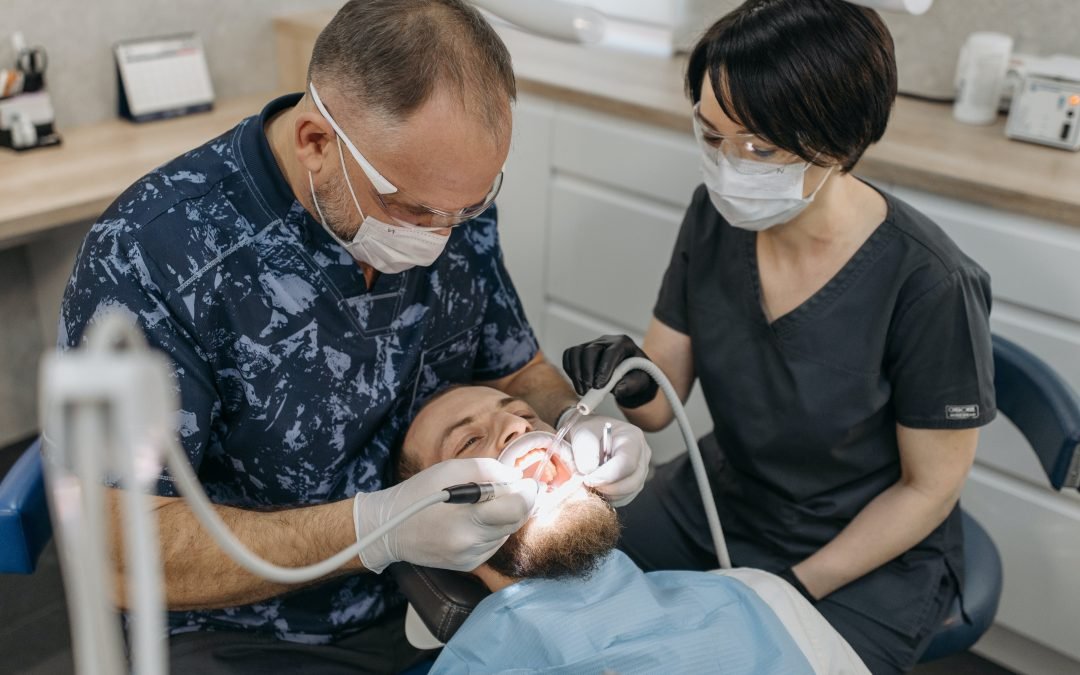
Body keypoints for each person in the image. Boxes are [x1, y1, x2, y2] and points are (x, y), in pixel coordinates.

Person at [57, 1, 651, 672]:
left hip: (448, 588)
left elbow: (516, 371)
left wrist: (574, 425)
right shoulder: (153, 255)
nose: (442, 236)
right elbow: (114, 549)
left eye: (470, 207)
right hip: (251, 627)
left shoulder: (446, 199)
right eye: (414, 211)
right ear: (316, 141)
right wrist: (374, 531)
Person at [562, 1, 996, 672]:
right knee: (562, 583)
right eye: (710, 136)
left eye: (760, 148)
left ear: (843, 146)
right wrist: (629, 374)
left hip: (859, 552)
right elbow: (658, 405)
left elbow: (927, 489)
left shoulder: (931, 283)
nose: (730, 166)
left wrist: (792, 588)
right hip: (721, 499)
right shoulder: (714, 216)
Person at [396, 385, 869, 674]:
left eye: (523, 413)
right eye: (470, 440)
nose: (516, 427)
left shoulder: (758, 596)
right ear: (441, 528)